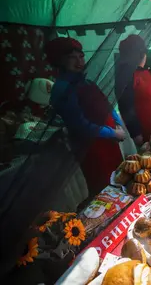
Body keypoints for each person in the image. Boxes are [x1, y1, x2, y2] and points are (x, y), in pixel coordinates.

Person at [46, 37, 125, 198]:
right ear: (59, 61)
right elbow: (80, 125)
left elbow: (107, 105)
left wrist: (118, 124)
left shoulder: (87, 82)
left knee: (121, 180)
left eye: (80, 56)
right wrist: (112, 133)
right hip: (92, 149)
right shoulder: (62, 88)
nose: (79, 61)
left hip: (111, 143)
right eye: (71, 57)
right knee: (105, 190)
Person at [116, 35, 151, 143]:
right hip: (147, 134)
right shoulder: (127, 76)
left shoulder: (149, 71)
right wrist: (135, 133)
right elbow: (125, 106)